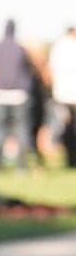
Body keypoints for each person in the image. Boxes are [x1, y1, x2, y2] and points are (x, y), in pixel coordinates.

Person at [0, 19, 34, 170]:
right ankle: (22, 166)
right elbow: (26, 69)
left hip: (1, 93)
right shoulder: (20, 48)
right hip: (18, 94)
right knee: (21, 129)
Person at [48, 25, 76, 167]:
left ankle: (70, 159)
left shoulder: (58, 46)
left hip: (62, 94)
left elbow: (51, 70)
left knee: (67, 126)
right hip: (67, 94)